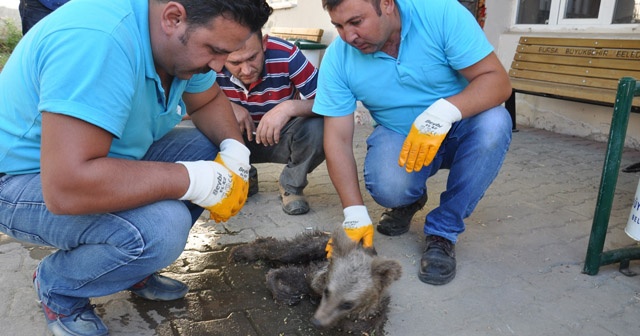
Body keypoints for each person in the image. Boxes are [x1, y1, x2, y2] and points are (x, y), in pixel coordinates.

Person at [0, 0, 272, 335]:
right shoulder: (98, 42)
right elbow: (66, 188)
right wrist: (195, 180)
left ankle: (129, 267)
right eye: (214, 50)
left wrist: (235, 153)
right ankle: (59, 287)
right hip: (22, 178)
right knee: (159, 230)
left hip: (101, 160)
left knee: (210, 149)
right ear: (173, 18)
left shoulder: (176, 42)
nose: (219, 67)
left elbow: (209, 101)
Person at [316, 0, 512, 285]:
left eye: (356, 22)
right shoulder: (338, 56)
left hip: (461, 126)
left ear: (387, 4)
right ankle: (409, 199)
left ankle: (443, 231)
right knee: (390, 187)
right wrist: (354, 214)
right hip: (401, 134)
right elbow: (337, 138)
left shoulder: (442, 14)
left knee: (496, 123)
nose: (349, 37)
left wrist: (443, 112)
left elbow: (498, 82)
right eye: (338, 25)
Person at [216, 31, 324, 215]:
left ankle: (292, 185)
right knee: (197, 131)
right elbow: (182, 109)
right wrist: (226, 108)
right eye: (235, 63)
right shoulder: (207, 60)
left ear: (264, 43)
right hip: (233, 138)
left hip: (281, 135)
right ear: (220, 54)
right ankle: (240, 177)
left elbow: (332, 102)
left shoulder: (287, 54)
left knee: (322, 127)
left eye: (253, 57)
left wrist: (288, 108)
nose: (247, 70)